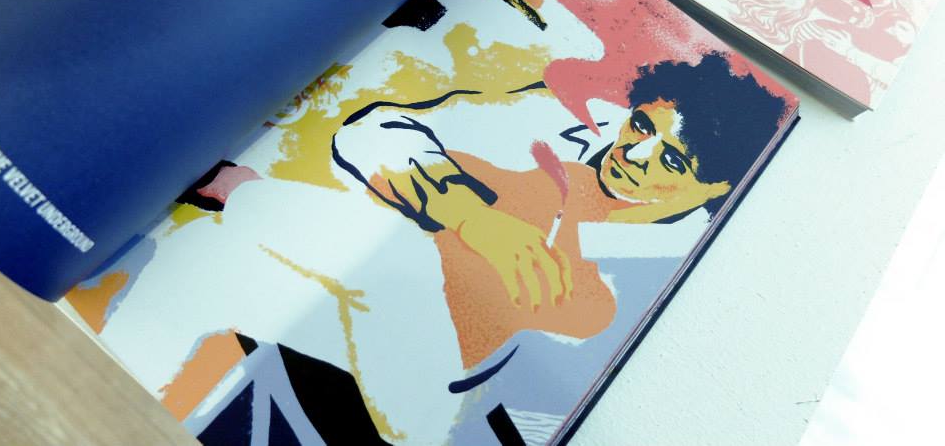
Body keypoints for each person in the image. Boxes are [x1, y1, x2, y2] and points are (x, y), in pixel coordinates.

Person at [332, 51, 787, 369]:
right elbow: (369, 129)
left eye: (671, 160)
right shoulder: (567, 117)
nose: (632, 154)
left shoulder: (657, 284)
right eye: (641, 125)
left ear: (715, 189)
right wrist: (469, 214)